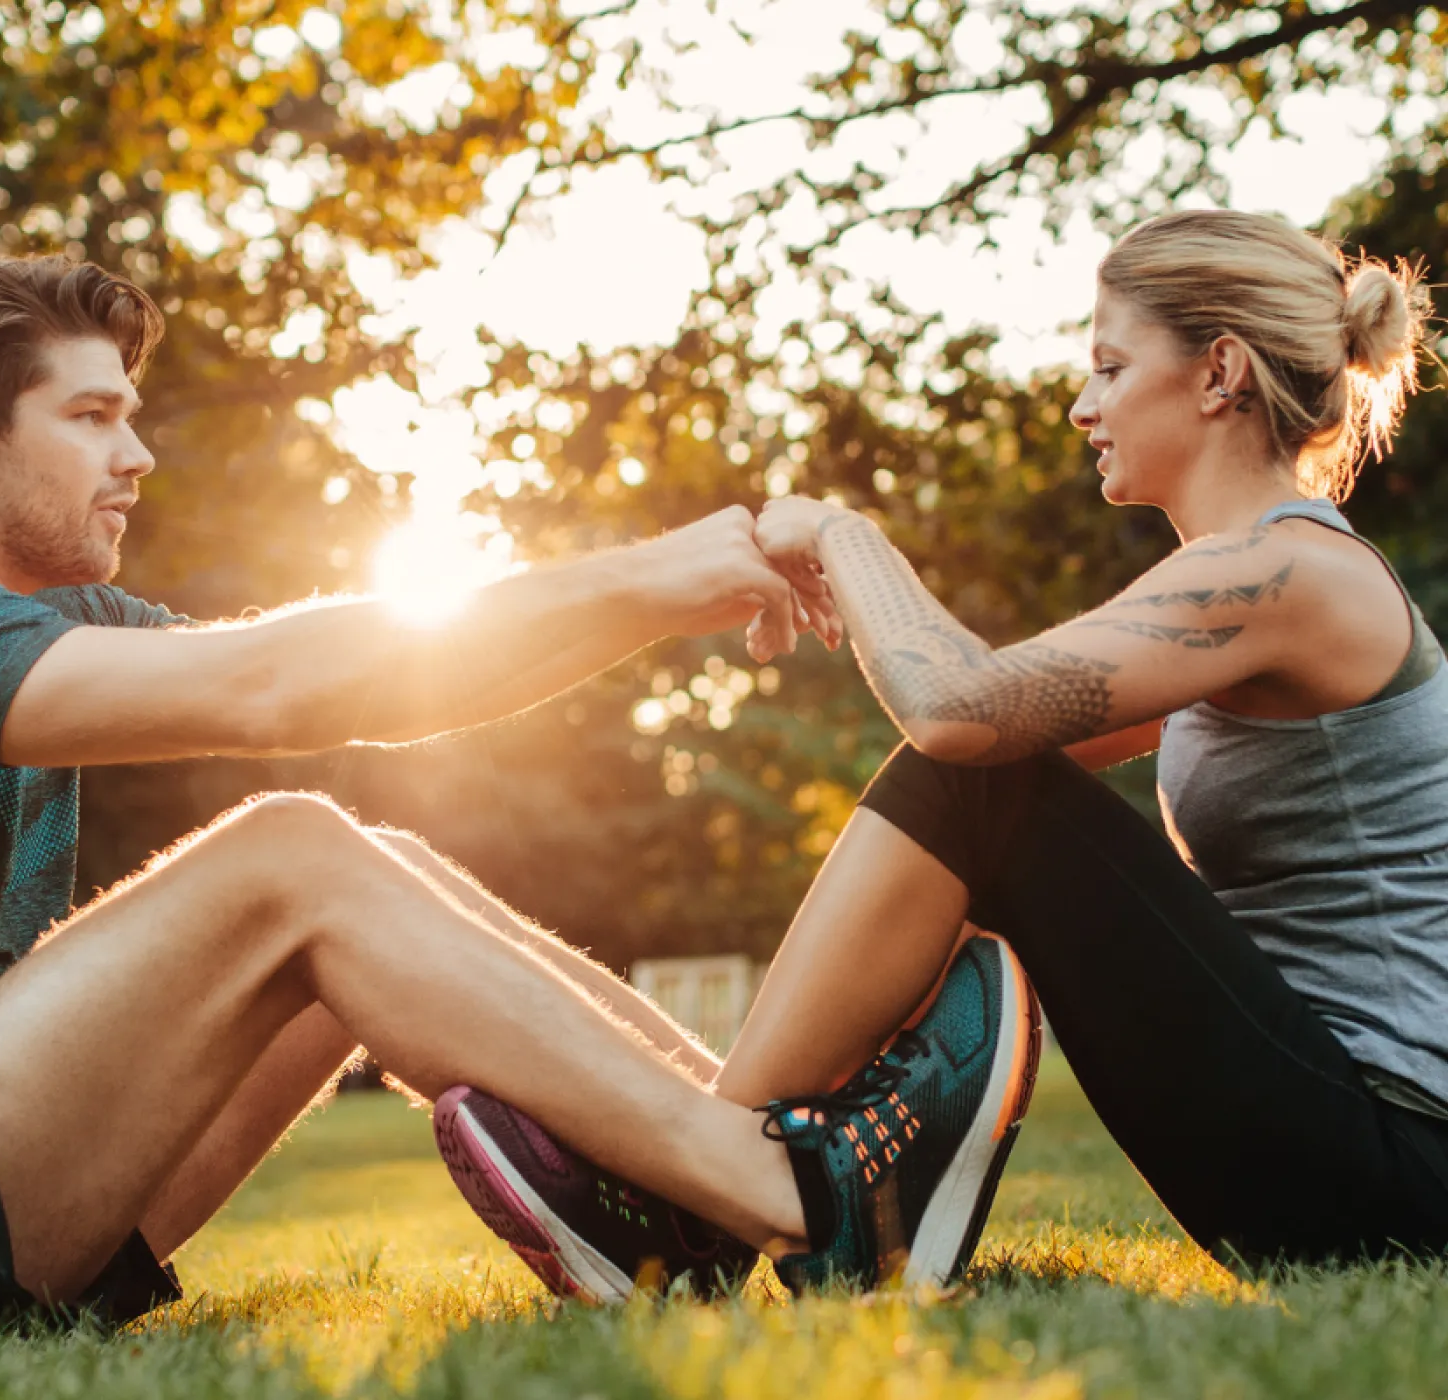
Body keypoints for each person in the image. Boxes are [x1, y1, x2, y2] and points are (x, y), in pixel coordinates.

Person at [0, 252, 1041, 1342]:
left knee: (357, 867)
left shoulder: (61, 617)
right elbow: (279, 692)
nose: (134, 455)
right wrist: (642, 577)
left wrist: (666, 595)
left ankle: (727, 1157)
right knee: (294, 859)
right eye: (91, 417)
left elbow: (391, 685)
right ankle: (798, 1193)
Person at [461, 209, 1446, 1286]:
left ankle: (691, 1201)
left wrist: (845, 534)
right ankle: (801, 1174)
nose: (1083, 406)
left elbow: (958, 711)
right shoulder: (1260, 581)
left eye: (1110, 367)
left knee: (973, 780)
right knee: (978, 792)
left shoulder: (1291, 576)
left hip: (1399, 1166)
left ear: (1218, 373)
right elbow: (986, 740)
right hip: (1356, 1147)